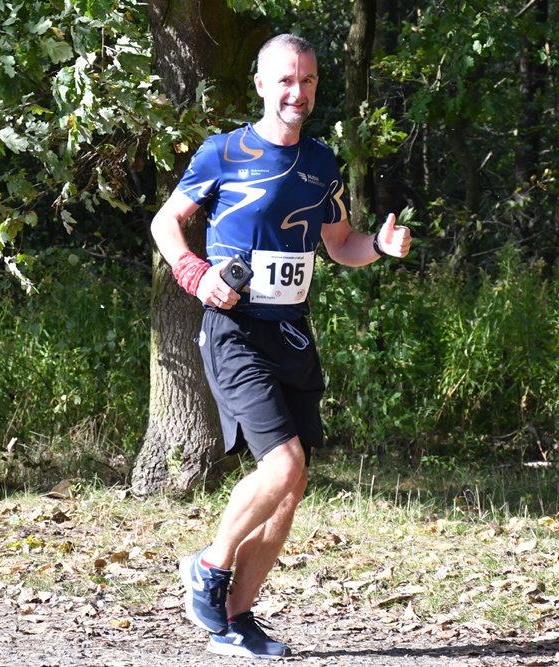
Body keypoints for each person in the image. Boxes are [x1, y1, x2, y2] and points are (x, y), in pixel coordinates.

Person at [150, 33, 412, 659]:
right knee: (284, 466)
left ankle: (232, 620)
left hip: (292, 333)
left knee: (290, 489)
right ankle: (208, 567)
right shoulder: (223, 152)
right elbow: (166, 222)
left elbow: (340, 244)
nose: (298, 92)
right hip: (235, 329)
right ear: (263, 85)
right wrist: (196, 275)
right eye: (286, 80)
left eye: (309, 80)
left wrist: (379, 247)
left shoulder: (321, 162)